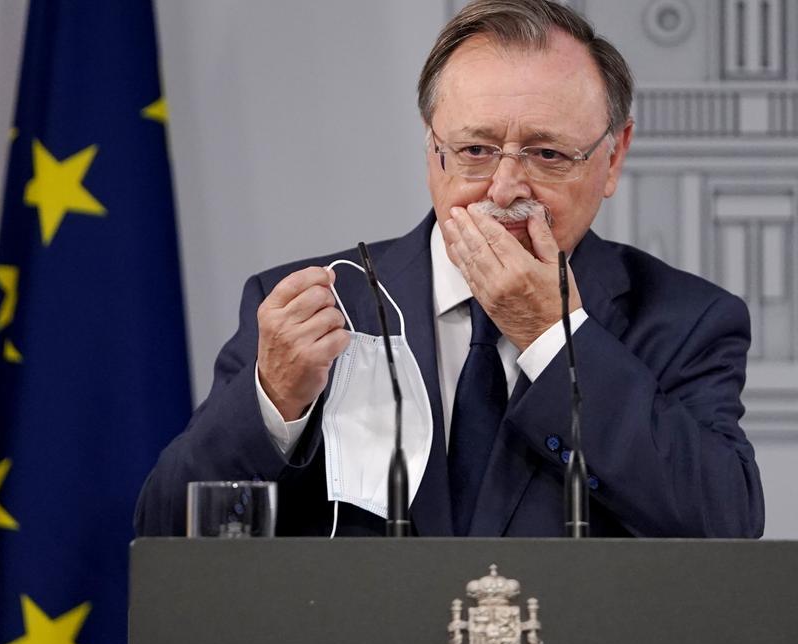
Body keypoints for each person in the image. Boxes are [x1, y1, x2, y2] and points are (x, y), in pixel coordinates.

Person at [135, 0, 765, 538]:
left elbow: (723, 523)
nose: (504, 186)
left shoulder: (685, 319)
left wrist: (554, 337)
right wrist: (272, 403)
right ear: (431, 147)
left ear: (613, 156)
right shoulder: (318, 301)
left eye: (547, 153)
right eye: (475, 150)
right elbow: (166, 530)